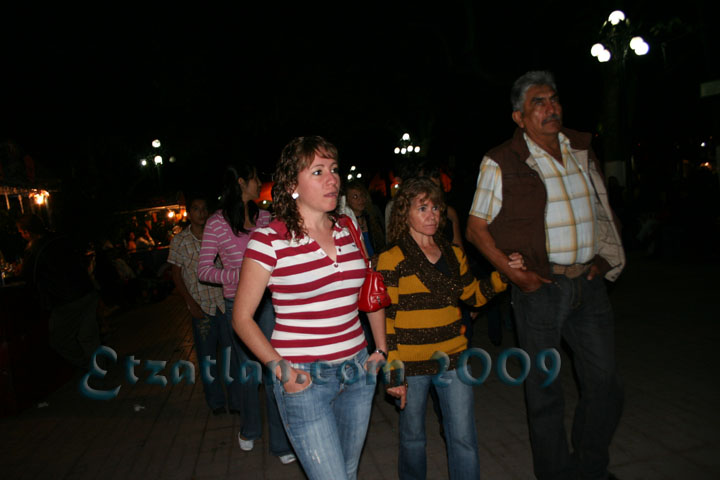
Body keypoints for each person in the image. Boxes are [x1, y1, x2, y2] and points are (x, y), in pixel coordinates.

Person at [466, 70, 625, 480]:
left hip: (588, 283)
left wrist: (604, 257)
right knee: (545, 390)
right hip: (540, 289)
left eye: (554, 99)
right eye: (539, 102)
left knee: (605, 383)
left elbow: (600, 208)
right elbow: (476, 229)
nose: (551, 108)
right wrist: (515, 276)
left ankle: (590, 468)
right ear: (519, 117)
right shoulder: (501, 160)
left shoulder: (580, 148)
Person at [232, 136, 387, 480]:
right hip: (304, 377)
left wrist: (380, 350)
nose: (332, 179)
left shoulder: (348, 229)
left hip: (358, 370)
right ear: (292, 185)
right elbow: (241, 318)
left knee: (348, 472)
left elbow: (370, 293)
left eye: (334, 169)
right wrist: (283, 372)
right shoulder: (269, 240)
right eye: (318, 171)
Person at [377, 177, 523, 480]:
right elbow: (387, 319)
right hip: (411, 365)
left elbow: (473, 296)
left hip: (454, 359)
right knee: (413, 439)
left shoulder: (453, 254)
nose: (432, 215)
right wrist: (393, 373)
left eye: (435, 208)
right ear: (405, 213)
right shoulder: (391, 259)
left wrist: (504, 274)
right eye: (422, 208)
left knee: (464, 438)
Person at [197, 163, 295, 464]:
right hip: (238, 305)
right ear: (241, 182)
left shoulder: (264, 217)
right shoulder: (216, 223)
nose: (259, 183)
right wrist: (241, 274)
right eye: (254, 179)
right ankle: (250, 429)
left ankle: (281, 443)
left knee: (274, 370)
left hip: (268, 303)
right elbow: (204, 270)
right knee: (249, 373)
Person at [167, 194, 228, 415]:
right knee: (207, 357)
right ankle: (216, 401)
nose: (201, 213)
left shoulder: (217, 235)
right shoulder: (180, 241)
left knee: (231, 354)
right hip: (201, 306)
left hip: (223, 302)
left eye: (204, 208)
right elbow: (176, 274)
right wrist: (190, 303)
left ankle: (236, 399)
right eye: (196, 208)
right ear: (189, 213)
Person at [16, 214, 100, 369]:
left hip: (66, 298)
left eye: (21, 232)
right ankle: (98, 365)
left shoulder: (35, 249)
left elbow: (28, 276)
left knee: (59, 340)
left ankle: (85, 363)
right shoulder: (60, 238)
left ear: (27, 232)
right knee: (88, 334)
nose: (22, 236)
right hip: (86, 289)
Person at [345, 179, 385, 257]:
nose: (360, 199)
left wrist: (379, 257)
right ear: (347, 201)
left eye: (362, 195)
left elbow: (382, 245)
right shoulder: (345, 226)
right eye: (355, 197)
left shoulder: (373, 218)